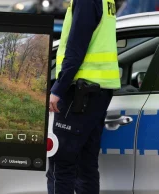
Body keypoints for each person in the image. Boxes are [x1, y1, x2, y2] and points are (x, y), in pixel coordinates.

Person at [47, 0, 121, 194]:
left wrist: (57, 89)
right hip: (97, 92)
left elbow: (76, 47)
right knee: (85, 166)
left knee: (60, 165)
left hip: (80, 92)